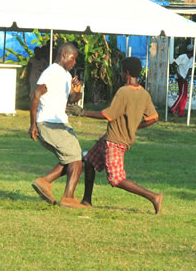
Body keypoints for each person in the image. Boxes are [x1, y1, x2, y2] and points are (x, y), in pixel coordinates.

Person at [81, 57, 163, 213]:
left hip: (115, 141)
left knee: (116, 179)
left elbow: (108, 115)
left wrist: (83, 113)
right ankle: (86, 200)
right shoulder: (144, 93)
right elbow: (154, 118)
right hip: (110, 138)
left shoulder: (123, 91)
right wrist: (135, 126)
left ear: (126, 72)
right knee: (89, 161)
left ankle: (153, 197)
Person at [28, 42, 84, 208]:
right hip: (49, 123)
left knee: (72, 158)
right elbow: (35, 95)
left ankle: (45, 182)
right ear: (64, 55)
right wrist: (33, 125)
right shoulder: (51, 72)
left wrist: (77, 90)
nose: (74, 63)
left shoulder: (66, 75)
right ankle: (68, 197)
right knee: (76, 157)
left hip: (59, 122)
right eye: (73, 59)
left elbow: (72, 99)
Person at [169, 44, 193, 117]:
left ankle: (181, 111)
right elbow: (174, 64)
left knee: (184, 95)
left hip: (184, 78)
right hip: (180, 77)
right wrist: (178, 74)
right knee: (183, 94)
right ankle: (173, 108)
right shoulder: (182, 57)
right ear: (191, 51)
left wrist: (186, 78)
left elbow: (190, 69)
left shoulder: (192, 59)